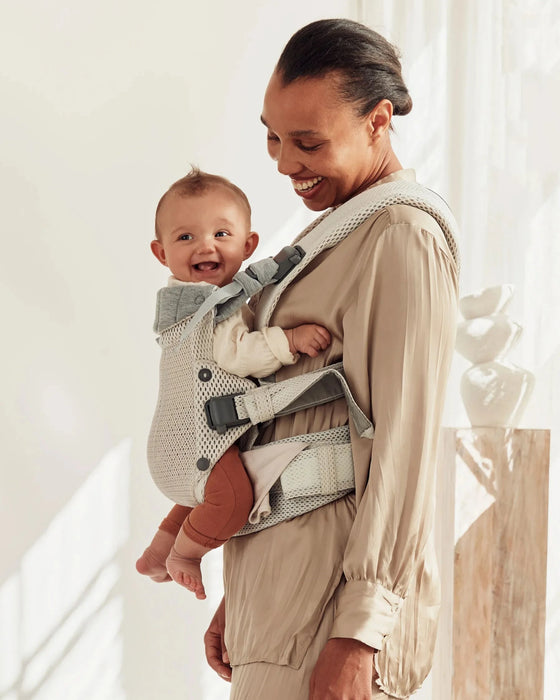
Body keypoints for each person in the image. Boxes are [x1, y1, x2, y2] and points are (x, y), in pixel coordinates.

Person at [203, 19, 459, 699]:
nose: (285, 163)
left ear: (380, 122)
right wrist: (244, 591)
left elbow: (401, 448)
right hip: (280, 610)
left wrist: (361, 633)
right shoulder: (334, 236)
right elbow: (295, 434)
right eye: (273, 136)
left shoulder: (401, 238)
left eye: (309, 142)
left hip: (331, 631)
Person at [136, 168, 331, 599]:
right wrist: (289, 340)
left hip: (176, 446)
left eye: (221, 233)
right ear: (161, 252)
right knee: (231, 500)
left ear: (248, 245)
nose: (205, 245)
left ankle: (159, 547)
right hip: (198, 444)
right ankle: (183, 555)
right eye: (185, 238)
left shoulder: (181, 305)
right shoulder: (210, 310)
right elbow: (238, 354)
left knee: (202, 493)